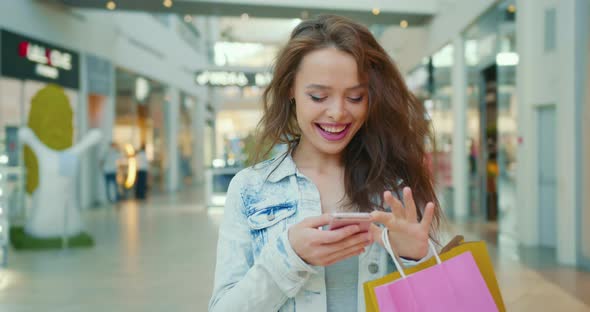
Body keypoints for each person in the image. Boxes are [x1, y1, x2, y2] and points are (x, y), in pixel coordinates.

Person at [209, 15, 442, 312]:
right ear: (291, 89)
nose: (338, 112)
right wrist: (289, 257)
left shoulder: (396, 186)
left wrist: (415, 258)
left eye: (356, 97)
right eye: (318, 96)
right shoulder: (250, 188)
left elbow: (439, 299)